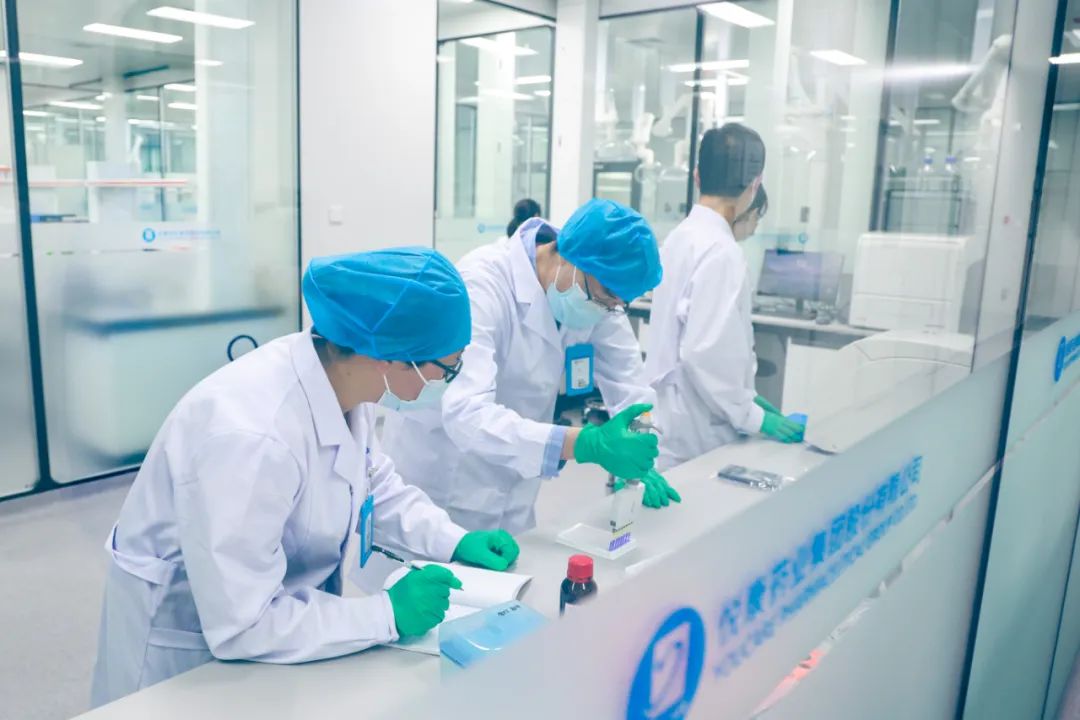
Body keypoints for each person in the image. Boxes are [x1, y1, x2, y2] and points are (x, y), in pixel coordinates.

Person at [90, 248, 521, 706]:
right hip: (184, 648)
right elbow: (245, 624)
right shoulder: (252, 437)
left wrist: (453, 540)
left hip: (270, 626)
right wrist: (385, 614)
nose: (447, 383)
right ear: (392, 358)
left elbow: (375, 484)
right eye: (447, 369)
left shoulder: (344, 381)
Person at [383, 199, 681, 535]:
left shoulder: (597, 296)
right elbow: (466, 414)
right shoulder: (481, 283)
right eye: (607, 295)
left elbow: (630, 383)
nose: (610, 308)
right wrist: (586, 443)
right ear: (569, 256)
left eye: (619, 303)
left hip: (514, 493)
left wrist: (641, 455)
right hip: (444, 484)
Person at [645, 124, 805, 471]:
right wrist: (752, 414)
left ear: (697, 176)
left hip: (671, 420)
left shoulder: (680, 238)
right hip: (699, 432)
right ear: (755, 184)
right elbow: (705, 353)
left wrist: (748, 398)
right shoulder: (722, 252)